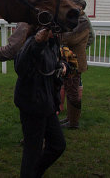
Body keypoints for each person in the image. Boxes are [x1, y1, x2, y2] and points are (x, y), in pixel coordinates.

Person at [14, 28, 67, 177]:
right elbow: (20, 67)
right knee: (32, 152)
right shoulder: (31, 42)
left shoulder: (52, 42)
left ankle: (35, 173)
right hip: (32, 104)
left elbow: (53, 62)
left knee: (58, 145)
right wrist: (37, 43)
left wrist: (63, 66)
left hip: (46, 103)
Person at [59, 0, 95, 129]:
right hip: (69, 60)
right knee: (69, 89)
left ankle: (73, 123)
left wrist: (58, 34)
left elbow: (70, 38)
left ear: (79, 6)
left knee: (73, 92)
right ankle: (70, 118)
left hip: (75, 62)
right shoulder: (74, 19)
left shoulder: (83, 21)